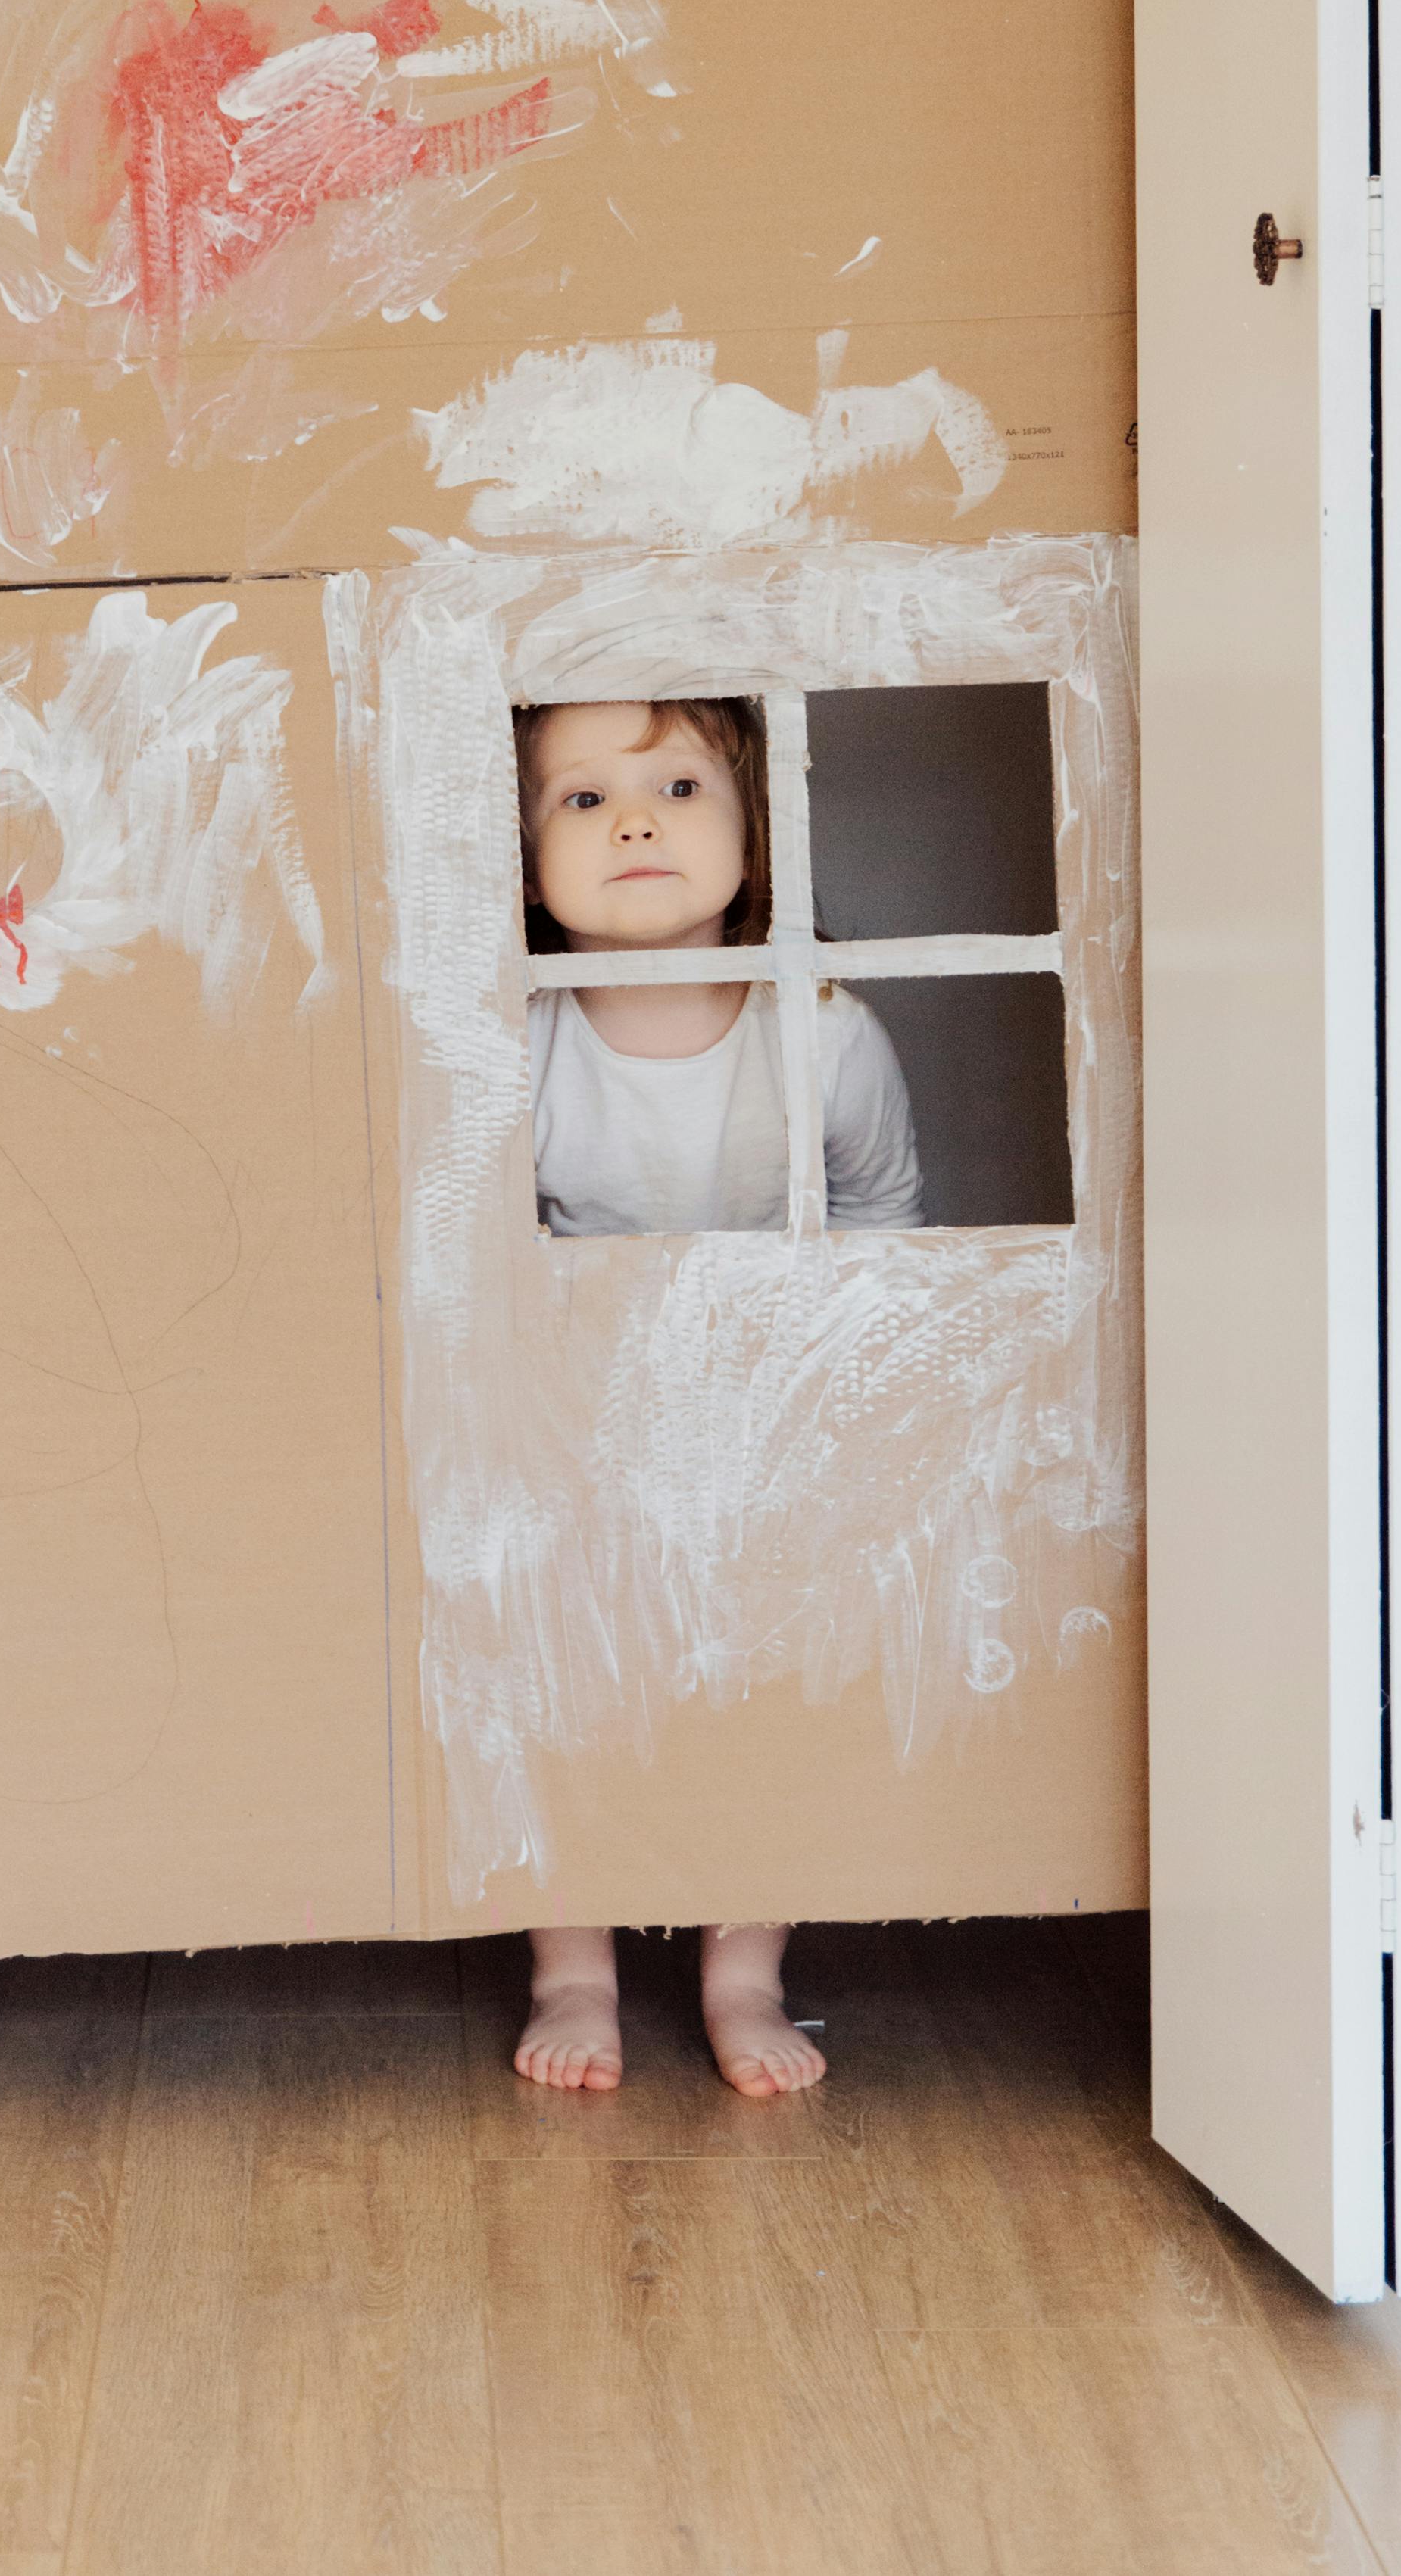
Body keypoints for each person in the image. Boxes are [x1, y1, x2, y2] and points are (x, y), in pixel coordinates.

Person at [512, 693, 922, 2100]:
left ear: (754, 838)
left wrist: (834, 1383)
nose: (633, 819)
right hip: (579, 1416)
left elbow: (881, 1208)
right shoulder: (521, 1046)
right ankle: (570, 1966)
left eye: (679, 788)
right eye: (581, 798)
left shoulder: (821, 1032)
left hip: (768, 1415)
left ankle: (745, 1973)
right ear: (524, 859)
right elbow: (469, 1243)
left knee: (763, 1679)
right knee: (559, 1670)